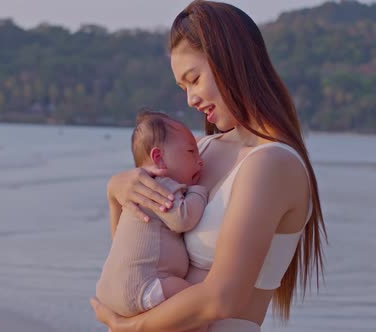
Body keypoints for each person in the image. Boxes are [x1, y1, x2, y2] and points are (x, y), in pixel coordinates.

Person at [91, 1, 327, 331]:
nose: (190, 99)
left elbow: (223, 298)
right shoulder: (200, 151)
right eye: (183, 87)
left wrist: (129, 327)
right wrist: (117, 193)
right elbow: (137, 257)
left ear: (231, 62)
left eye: (195, 79)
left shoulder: (272, 164)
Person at [95, 111, 208, 332]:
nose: (200, 159)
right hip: (145, 286)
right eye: (191, 152)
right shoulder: (159, 187)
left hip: (111, 290)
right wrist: (199, 193)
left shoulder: (137, 190)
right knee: (194, 299)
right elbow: (182, 218)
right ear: (158, 159)